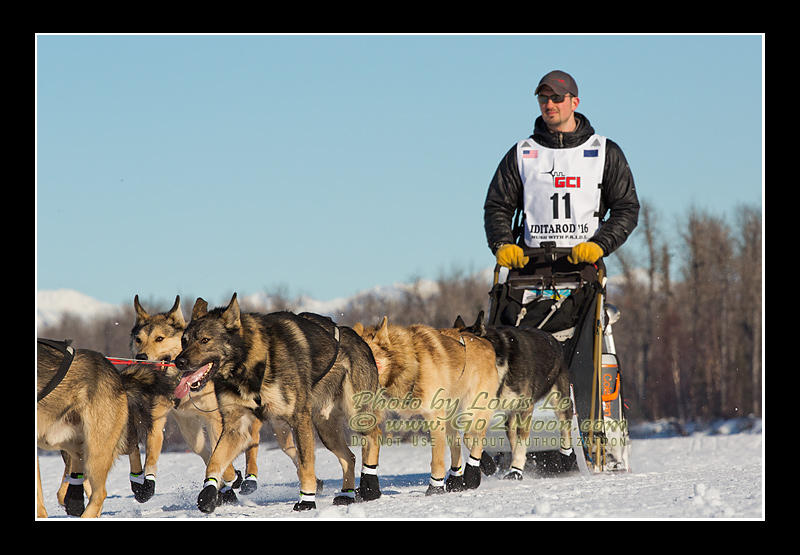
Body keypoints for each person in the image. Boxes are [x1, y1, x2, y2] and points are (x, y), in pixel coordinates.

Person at [484, 70, 640, 269]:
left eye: (557, 98)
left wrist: (600, 244)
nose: (549, 105)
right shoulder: (522, 153)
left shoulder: (604, 151)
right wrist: (502, 243)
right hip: (529, 266)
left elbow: (626, 208)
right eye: (543, 98)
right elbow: (497, 206)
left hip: (583, 265)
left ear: (574, 102)